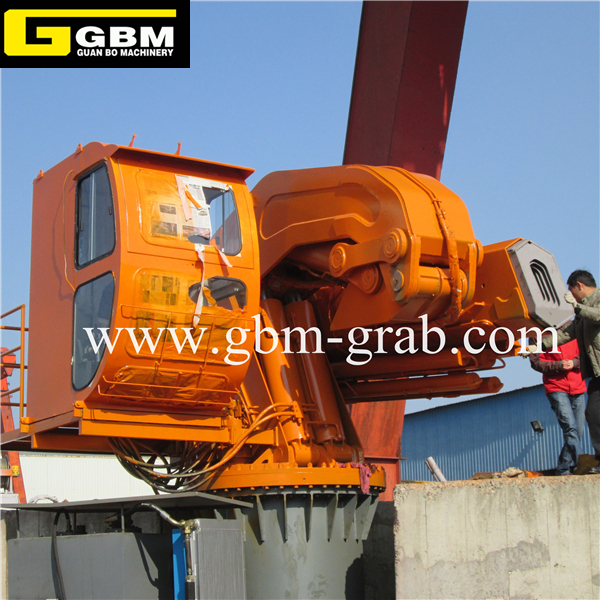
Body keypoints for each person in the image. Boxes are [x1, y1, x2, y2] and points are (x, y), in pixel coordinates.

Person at [531, 270, 600, 475]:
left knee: (580, 425)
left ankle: (568, 466)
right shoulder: (578, 316)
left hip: (578, 383)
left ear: (579, 286)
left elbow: (597, 316)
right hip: (583, 378)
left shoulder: (587, 306)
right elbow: (566, 335)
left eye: (571, 291)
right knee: (590, 416)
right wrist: (538, 346)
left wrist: (578, 308)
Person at [529, 338, 586, 475]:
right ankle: (583, 465)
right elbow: (535, 362)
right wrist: (558, 365)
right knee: (570, 428)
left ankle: (562, 468)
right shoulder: (536, 334)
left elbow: (586, 353)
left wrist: (574, 362)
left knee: (577, 431)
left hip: (578, 386)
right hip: (556, 387)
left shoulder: (574, 329)